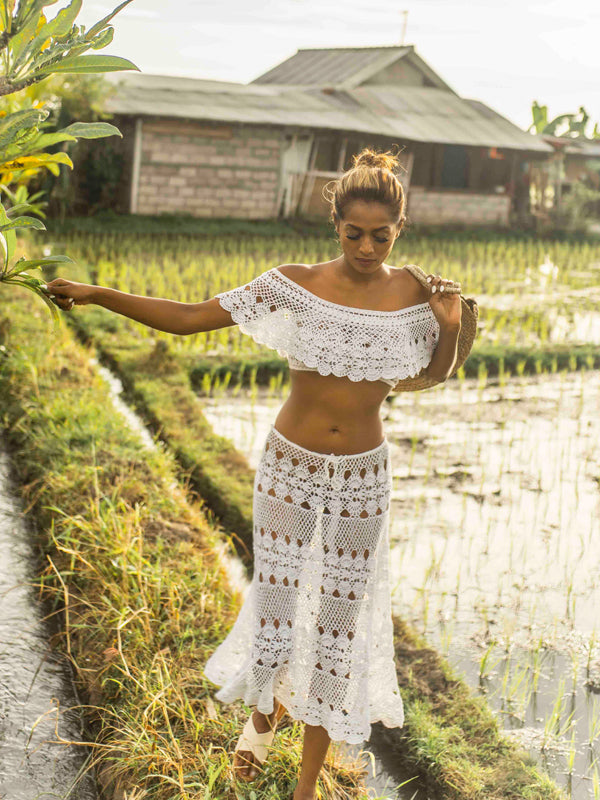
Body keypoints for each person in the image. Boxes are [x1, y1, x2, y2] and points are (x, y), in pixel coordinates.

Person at [42, 147, 461, 800]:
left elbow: (430, 379)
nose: (367, 246)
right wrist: (97, 294)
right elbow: (186, 319)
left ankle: (305, 786)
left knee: (337, 627)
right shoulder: (292, 283)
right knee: (278, 608)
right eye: (355, 233)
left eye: (381, 235)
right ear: (337, 226)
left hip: (362, 478)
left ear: (399, 228)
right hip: (289, 470)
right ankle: (263, 719)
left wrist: (449, 329)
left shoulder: (417, 293)